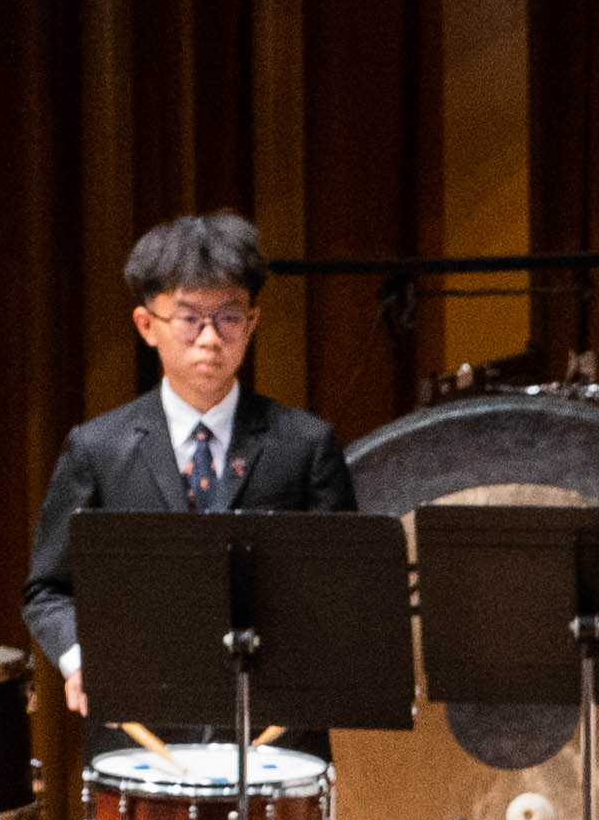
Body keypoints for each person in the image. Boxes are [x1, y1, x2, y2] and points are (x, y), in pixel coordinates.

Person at [20, 214, 361, 727]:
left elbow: (344, 589)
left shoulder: (307, 445)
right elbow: (48, 590)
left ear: (253, 323)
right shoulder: (96, 448)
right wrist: (81, 659)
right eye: (189, 318)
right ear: (146, 326)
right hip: (140, 727)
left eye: (229, 317)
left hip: (272, 728)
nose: (210, 338)